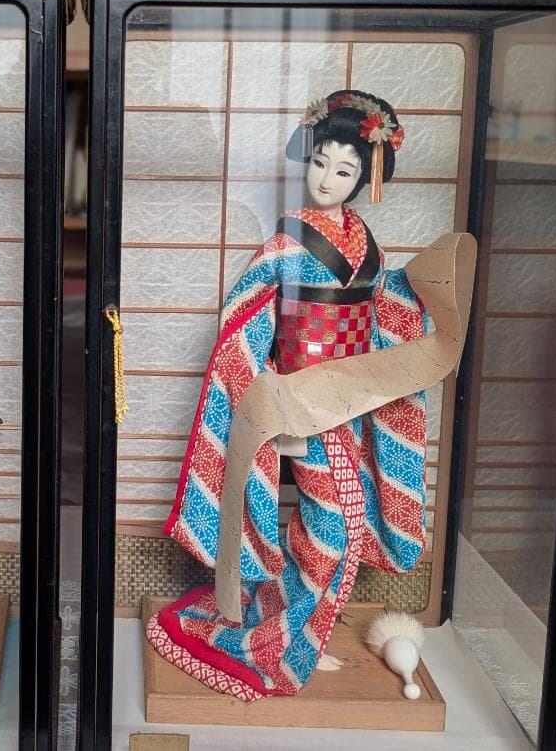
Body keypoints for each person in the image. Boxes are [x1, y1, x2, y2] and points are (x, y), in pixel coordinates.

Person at [148, 90, 430, 699]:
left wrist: (423, 298)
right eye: (320, 162)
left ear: (366, 179)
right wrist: (267, 396)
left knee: (336, 525)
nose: (327, 179)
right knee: (336, 527)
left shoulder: (366, 242)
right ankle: (289, 638)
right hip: (299, 402)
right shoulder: (284, 242)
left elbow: (383, 309)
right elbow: (244, 320)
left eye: (345, 170)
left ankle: (301, 629)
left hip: (350, 403)